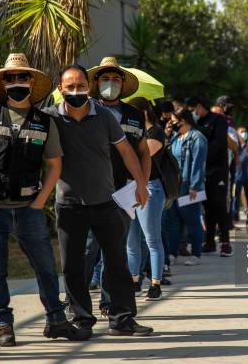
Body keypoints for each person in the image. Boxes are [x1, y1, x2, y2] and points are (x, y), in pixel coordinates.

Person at [0, 64, 153, 336]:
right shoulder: (49, 118)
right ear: (61, 89)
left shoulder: (105, 116)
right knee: (73, 266)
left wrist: (141, 183)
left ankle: (123, 319)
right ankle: (81, 318)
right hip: (69, 204)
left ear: (88, 87)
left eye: (81, 85)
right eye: (69, 87)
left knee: (117, 261)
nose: (75, 91)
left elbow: (127, 150)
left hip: (106, 201)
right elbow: (17, 115)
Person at [0, 53, 86, 346]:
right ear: (3, 83)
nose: (17, 82)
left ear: (31, 82)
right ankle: (4, 325)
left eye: (22, 77)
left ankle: (56, 320)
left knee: (45, 265)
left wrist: (39, 201)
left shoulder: (45, 122)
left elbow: (55, 164)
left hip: (28, 207)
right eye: (11, 78)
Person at [86, 57, 151, 304]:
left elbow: (144, 152)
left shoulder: (135, 115)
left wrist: (142, 184)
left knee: (115, 250)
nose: (111, 83)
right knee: (89, 249)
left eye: (115, 79)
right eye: (105, 78)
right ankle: (76, 304)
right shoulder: (87, 109)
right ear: (96, 82)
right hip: (93, 191)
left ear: (123, 83)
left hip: (125, 192)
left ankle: (109, 302)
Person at [124, 97, 167, 301]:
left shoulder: (155, 132)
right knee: (131, 240)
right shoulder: (132, 131)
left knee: (152, 238)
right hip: (128, 187)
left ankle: (155, 283)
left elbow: (144, 155)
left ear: (144, 112)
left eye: (133, 111)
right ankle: (134, 280)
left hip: (150, 187)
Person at [186, 97, 232, 257]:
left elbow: (219, 143)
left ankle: (225, 242)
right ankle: (210, 241)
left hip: (217, 170)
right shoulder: (195, 123)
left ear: (199, 105)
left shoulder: (218, 120)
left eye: (193, 109)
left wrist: (200, 155)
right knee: (208, 207)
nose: (193, 112)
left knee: (219, 205)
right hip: (202, 171)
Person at [164, 109, 207, 266]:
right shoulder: (176, 137)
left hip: (189, 186)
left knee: (192, 221)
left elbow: (198, 164)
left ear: (184, 120)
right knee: (173, 222)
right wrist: (167, 135)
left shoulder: (197, 138)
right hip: (174, 186)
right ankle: (172, 253)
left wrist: (195, 186)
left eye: (175, 121)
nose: (173, 124)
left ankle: (196, 254)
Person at [232, 127, 248, 220]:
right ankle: (235, 215)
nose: (244, 134)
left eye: (245, 132)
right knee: (235, 197)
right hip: (236, 176)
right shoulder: (235, 145)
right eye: (241, 132)